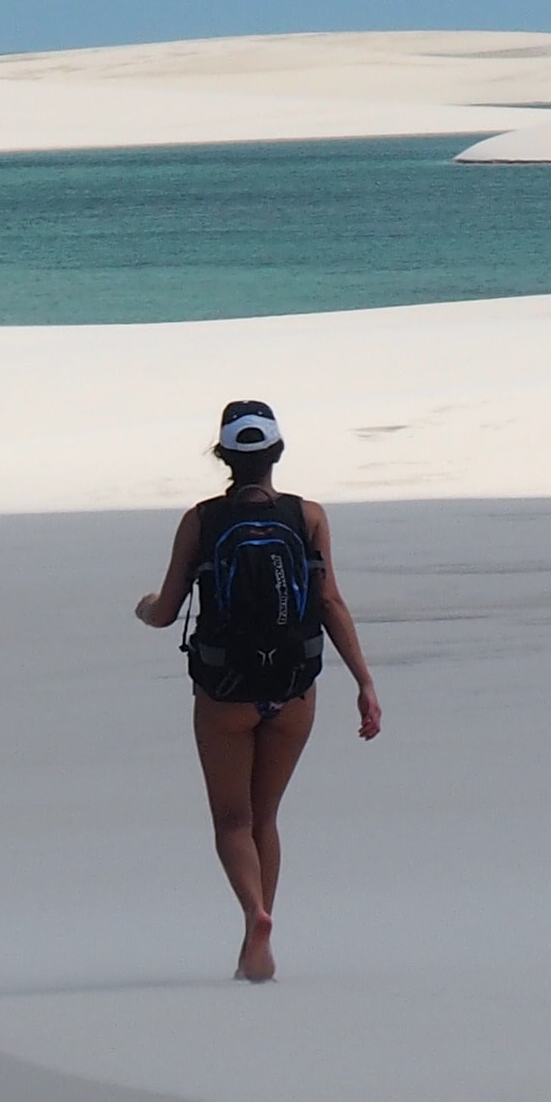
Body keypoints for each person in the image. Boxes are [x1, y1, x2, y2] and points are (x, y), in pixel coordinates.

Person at [132, 399, 381, 983]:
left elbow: (167, 612)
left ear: (224, 456)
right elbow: (329, 602)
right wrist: (365, 682)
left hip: (225, 690)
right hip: (294, 688)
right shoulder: (309, 516)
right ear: (277, 454)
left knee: (231, 821)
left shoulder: (201, 520)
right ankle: (256, 942)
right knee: (265, 817)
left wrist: (144, 609)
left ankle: (254, 914)